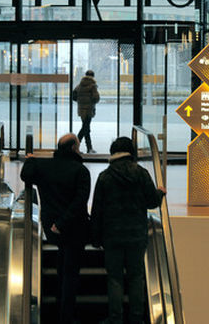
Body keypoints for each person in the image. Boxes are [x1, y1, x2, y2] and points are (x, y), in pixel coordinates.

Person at [90, 137, 166, 324]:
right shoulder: (141, 174)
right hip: (137, 236)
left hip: (112, 236)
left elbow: (97, 210)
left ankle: (115, 318)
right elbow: (151, 201)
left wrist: (96, 238)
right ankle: (136, 318)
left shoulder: (105, 177)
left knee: (115, 279)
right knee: (135, 277)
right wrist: (160, 192)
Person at [20, 133, 91, 324]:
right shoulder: (81, 171)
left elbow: (25, 175)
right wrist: (63, 222)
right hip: (74, 229)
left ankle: (58, 311)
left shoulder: (45, 167)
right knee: (71, 273)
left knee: (62, 266)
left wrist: (31, 161)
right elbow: (79, 201)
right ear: (75, 148)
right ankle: (66, 316)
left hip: (52, 229)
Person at [72, 69, 100, 154]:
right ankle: (74, 147)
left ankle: (89, 148)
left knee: (86, 128)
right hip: (89, 110)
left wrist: (81, 102)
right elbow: (96, 98)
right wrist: (91, 102)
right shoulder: (93, 86)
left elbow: (74, 96)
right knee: (85, 128)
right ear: (93, 76)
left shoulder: (79, 85)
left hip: (81, 110)